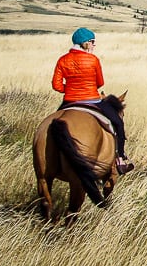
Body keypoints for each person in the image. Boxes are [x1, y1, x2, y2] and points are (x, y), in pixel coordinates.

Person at [52, 27, 134, 174]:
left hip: (69, 101)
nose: (94, 45)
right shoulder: (93, 59)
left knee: (53, 126)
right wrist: (85, 88)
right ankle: (120, 158)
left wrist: (71, 88)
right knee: (118, 123)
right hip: (93, 100)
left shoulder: (62, 60)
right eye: (92, 42)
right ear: (86, 43)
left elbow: (56, 85)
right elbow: (100, 83)